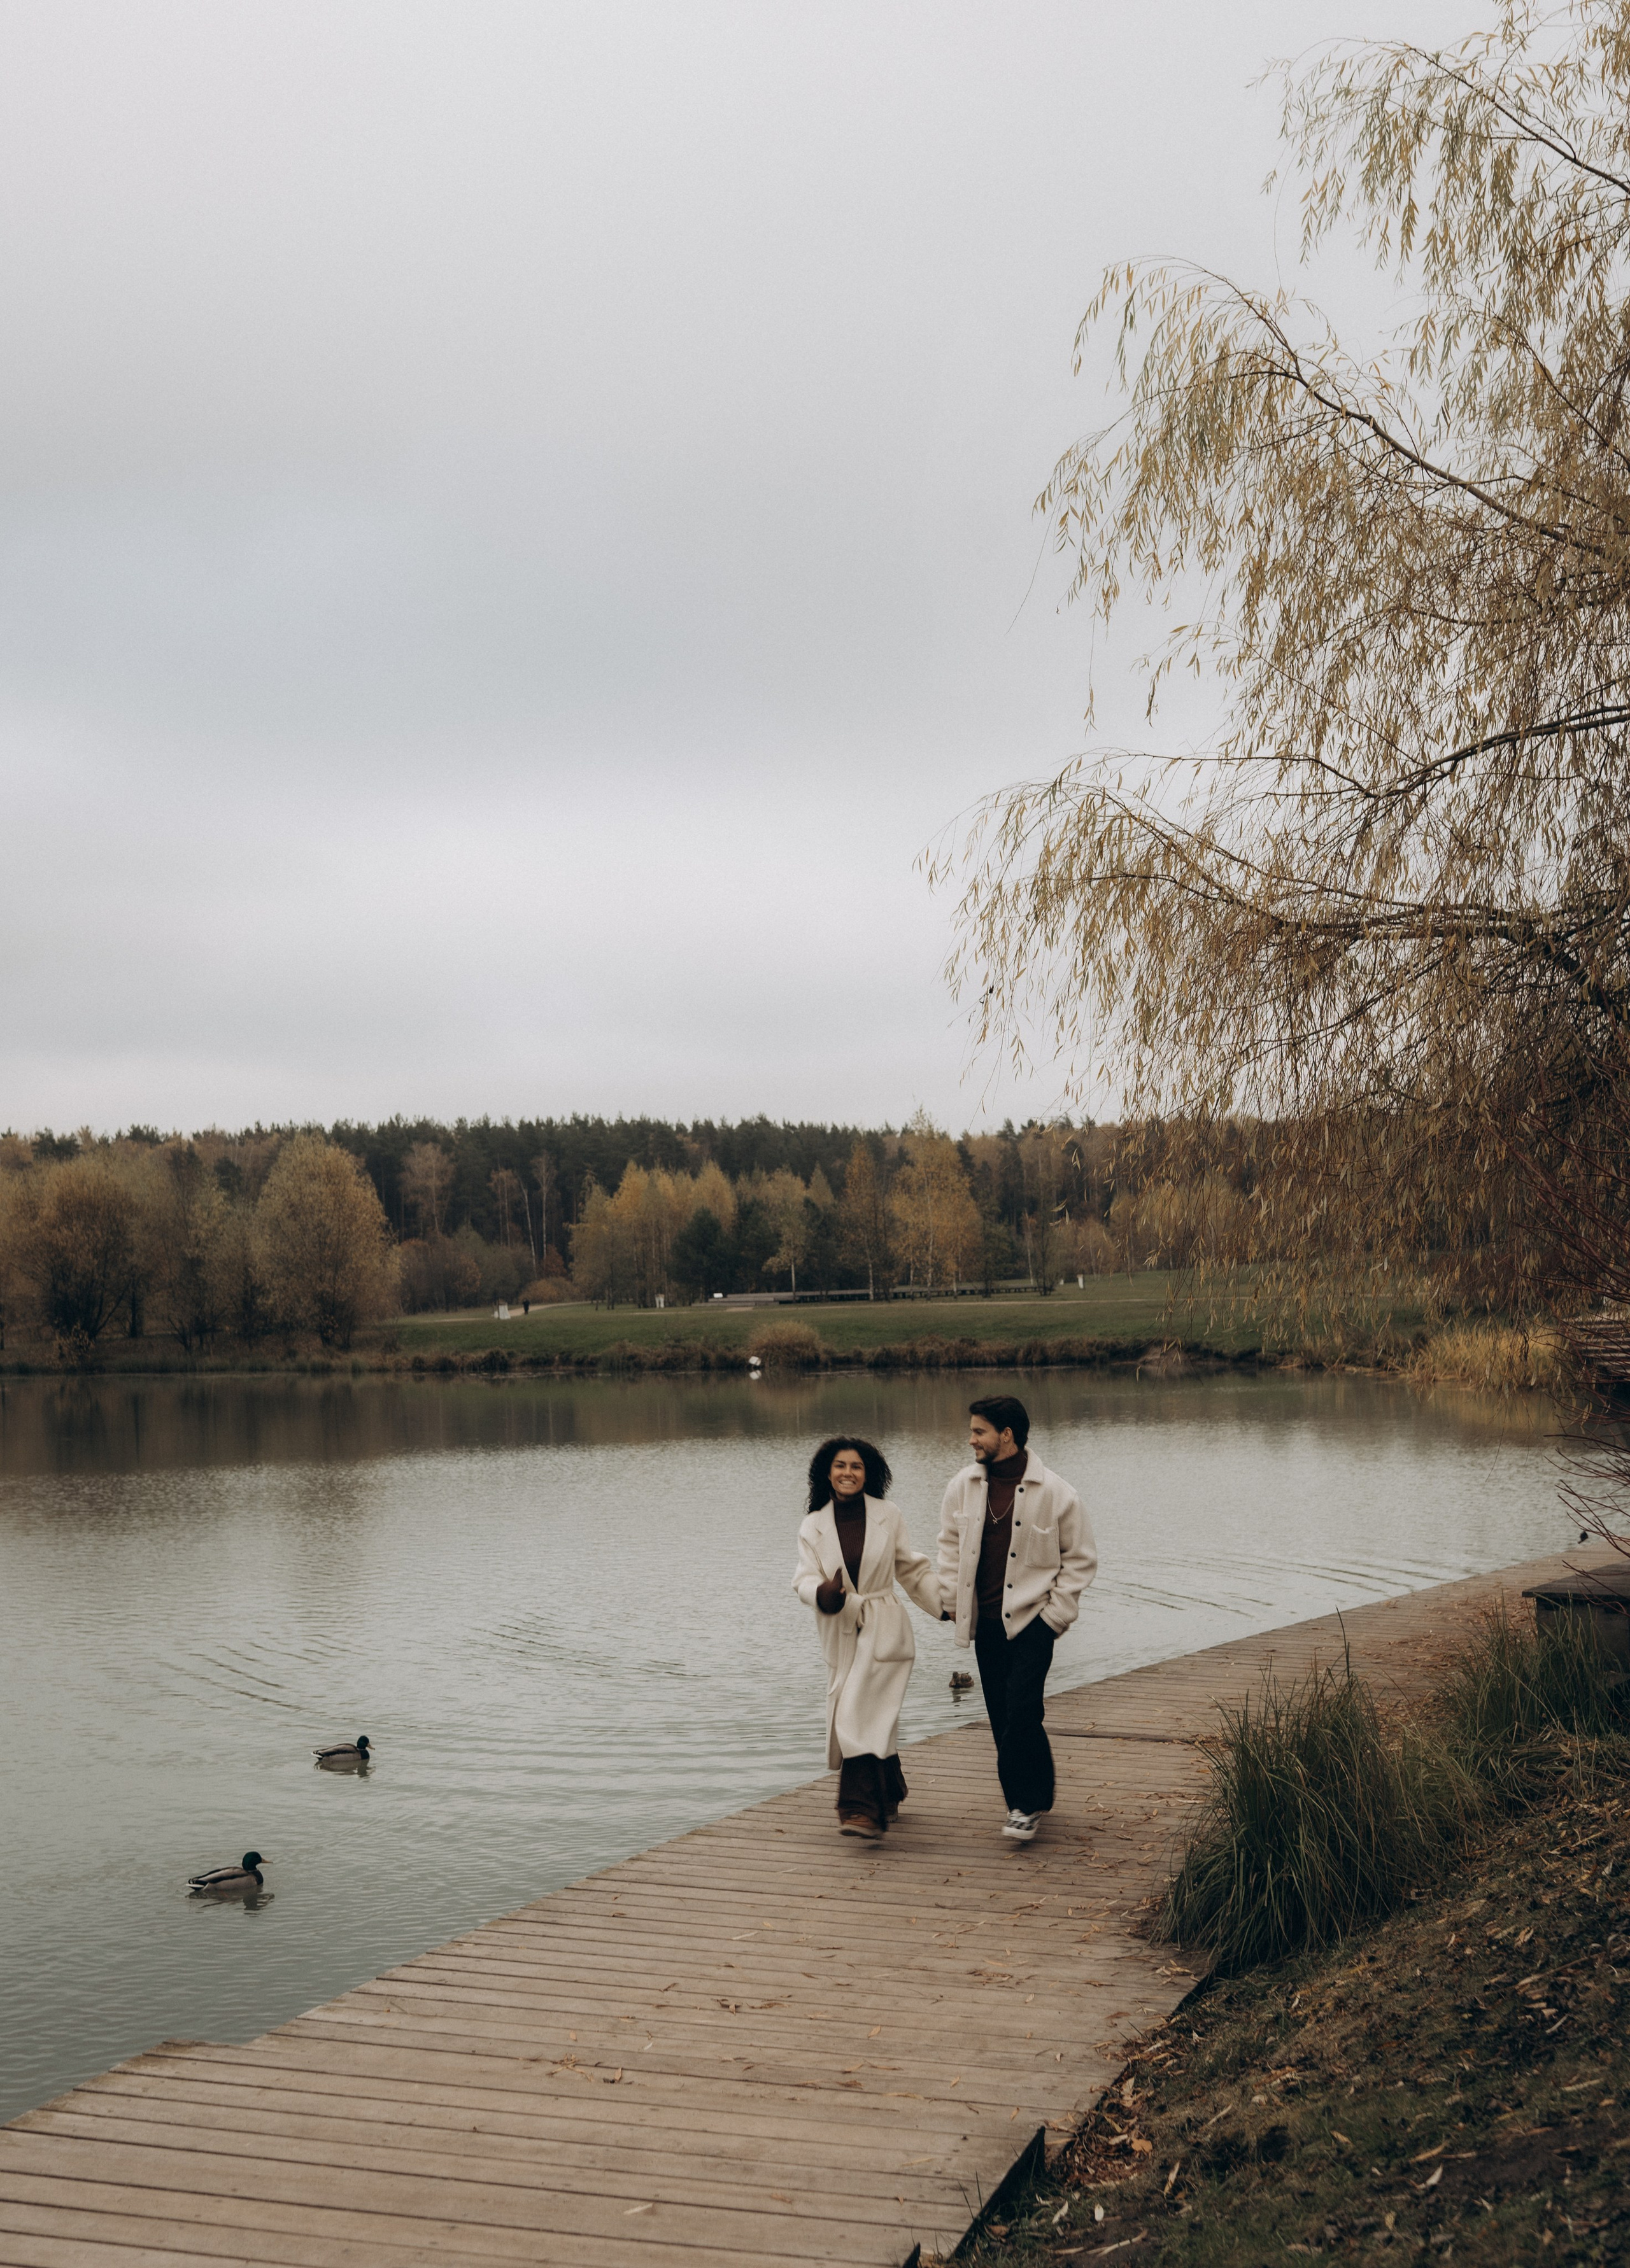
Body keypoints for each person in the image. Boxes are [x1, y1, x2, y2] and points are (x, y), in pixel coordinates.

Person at [936, 1394, 1096, 1842]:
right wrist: (951, 1599)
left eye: (979, 1431)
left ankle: (1023, 1806)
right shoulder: (961, 1486)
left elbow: (1080, 1560)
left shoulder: (1058, 1493)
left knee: (1022, 1709)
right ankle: (1037, 1792)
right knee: (1004, 1713)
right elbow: (949, 1548)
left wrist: (1055, 1617)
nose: (971, 1440)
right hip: (985, 1623)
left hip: (1034, 1621)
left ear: (1006, 1435)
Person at [793, 1435, 944, 1839]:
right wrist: (822, 1594)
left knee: (856, 1713)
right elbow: (804, 1579)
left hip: (884, 1625)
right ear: (827, 1473)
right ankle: (889, 1790)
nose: (848, 1473)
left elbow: (909, 1568)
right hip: (840, 1629)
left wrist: (946, 1606)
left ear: (868, 1473)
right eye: (841, 1466)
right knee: (870, 1713)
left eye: (856, 1467)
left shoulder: (888, 1514)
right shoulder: (813, 1524)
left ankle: (860, 1810)